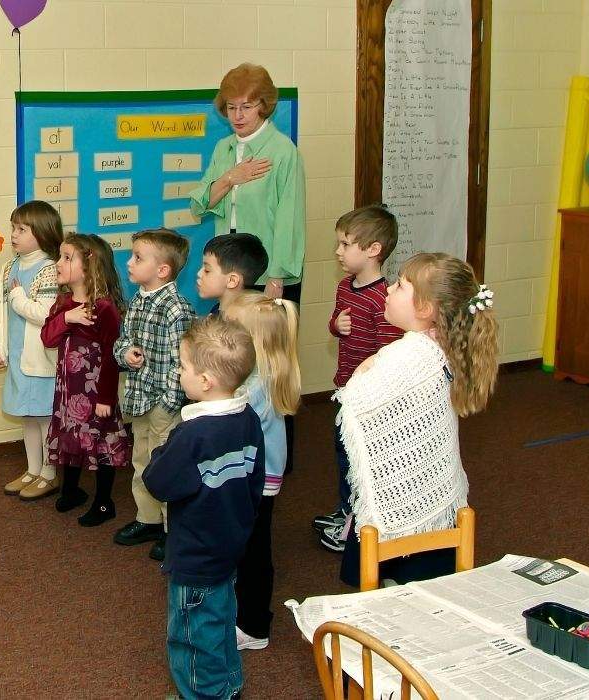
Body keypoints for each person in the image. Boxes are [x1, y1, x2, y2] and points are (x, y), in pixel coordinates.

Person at [336, 253, 499, 588]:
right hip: (435, 491)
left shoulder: (411, 355)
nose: (388, 290)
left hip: (399, 493)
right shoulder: (439, 344)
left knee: (392, 576)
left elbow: (355, 401)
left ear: (425, 309)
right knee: (421, 581)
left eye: (399, 286)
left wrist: (364, 370)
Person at [142, 315, 265, 700]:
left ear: (206, 381)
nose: (179, 373)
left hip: (196, 551)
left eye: (183, 367)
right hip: (230, 543)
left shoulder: (194, 433)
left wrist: (166, 445)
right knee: (221, 619)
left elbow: (158, 482)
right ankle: (228, 686)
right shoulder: (247, 418)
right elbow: (256, 480)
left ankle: (203, 695)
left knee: (192, 635)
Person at [313, 205, 404, 552]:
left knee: (360, 458)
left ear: (373, 250)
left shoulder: (384, 297)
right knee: (342, 454)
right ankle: (347, 510)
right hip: (345, 389)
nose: (338, 251)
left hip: (367, 397)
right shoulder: (345, 287)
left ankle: (358, 524)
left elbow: (387, 353)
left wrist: (368, 390)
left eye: (345, 244)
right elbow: (335, 322)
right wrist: (336, 326)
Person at [189, 62, 306, 304]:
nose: (237, 115)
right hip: (230, 269)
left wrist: (277, 276)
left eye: (246, 107)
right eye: (231, 107)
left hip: (268, 272)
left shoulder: (283, 151)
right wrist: (230, 178)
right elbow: (198, 206)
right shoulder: (224, 148)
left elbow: (289, 219)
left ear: (263, 106)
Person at [112, 228, 195, 561]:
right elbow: (121, 342)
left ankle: (170, 527)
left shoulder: (176, 310)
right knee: (142, 460)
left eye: (138, 258)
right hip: (139, 397)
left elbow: (183, 361)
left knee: (165, 466)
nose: (129, 263)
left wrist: (170, 402)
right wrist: (126, 353)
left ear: (163, 270)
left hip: (163, 401)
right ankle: (147, 518)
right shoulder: (137, 301)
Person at [222, 294, 300, 652]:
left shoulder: (254, 388)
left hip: (255, 481)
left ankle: (254, 626)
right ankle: (246, 612)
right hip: (264, 478)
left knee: (253, 554)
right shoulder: (266, 374)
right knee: (252, 548)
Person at [42, 234, 131, 527]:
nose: (58, 263)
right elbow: (48, 337)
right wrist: (68, 318)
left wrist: (107, 398)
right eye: (60, 256)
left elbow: (112, 355)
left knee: (101, 441)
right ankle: (71, 489)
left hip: (95, 393)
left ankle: (104, 502)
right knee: (71, 435)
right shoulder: (65, 302)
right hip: (68, 390)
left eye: (67, 257)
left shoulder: (104, 307)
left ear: (89, 267)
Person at [0, 201, 65, 501]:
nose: (14, 234)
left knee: (44, 417)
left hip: (40, 361)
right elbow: (0, 311)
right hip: (17, 359)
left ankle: (49, 473)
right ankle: (32, 469)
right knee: (27, 416)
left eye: (22, 229)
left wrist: (19, 296)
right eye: (14, 228)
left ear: (42, 232)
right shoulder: (10, 266)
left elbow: (44, 315)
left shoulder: (49, 269)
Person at [195, 232, 269, 316]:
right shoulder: (215, 312)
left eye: (207, 270)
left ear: (232, 280)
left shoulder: (245, 323)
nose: (199, 274)